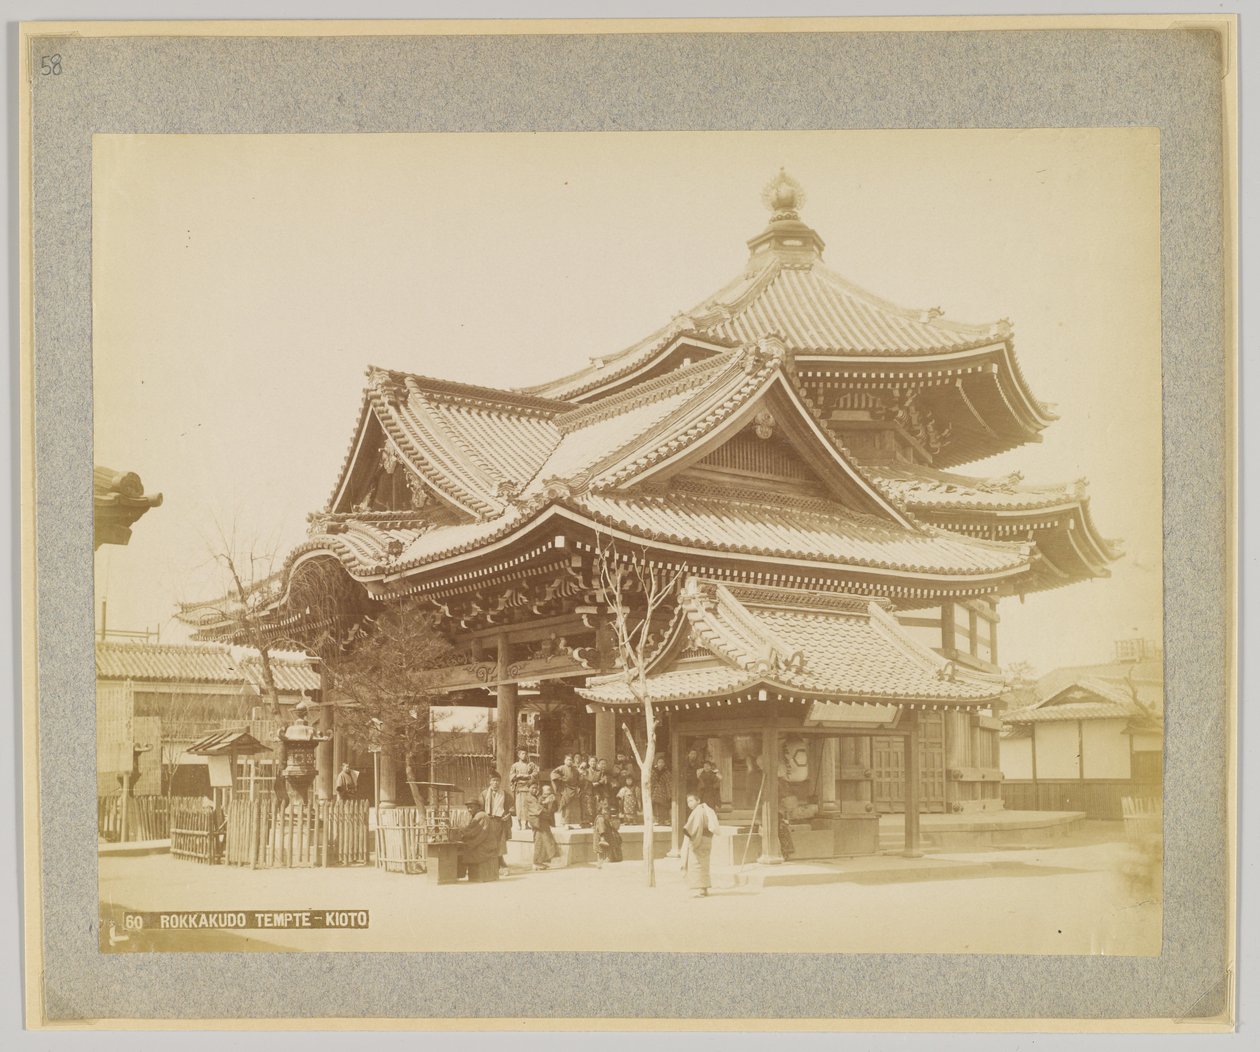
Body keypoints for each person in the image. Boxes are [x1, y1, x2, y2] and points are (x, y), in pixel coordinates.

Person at [681, 792, 719, 897]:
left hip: (700, 840)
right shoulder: (706, 810)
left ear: (698, 801)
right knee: (704, 864)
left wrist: (688, 835)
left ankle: (701, 890)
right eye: (688, 801)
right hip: (707, 839)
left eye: (691, 800)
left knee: (697, 864)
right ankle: (704, 888)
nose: (689, 803)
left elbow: (692, 828)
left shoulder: (697, 811)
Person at [457, 799, 500, 882]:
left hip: (486, 845)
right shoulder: (478, 815)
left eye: (471, 807)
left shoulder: (481, 816)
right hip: (485, 842)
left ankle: (477, 877)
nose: (469, 810)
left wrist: (461, 833)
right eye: (468, 808)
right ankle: (473, 876)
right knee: (464, 847)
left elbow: (474, 831)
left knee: (464, 849)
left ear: (478, 807)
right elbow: (471, 829)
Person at [479, 772, 513, 872]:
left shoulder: (505, 794)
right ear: (490, 782)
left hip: (500, 822)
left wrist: (508, 814)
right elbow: (480, 808)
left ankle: (500, 864)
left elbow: (511, 807)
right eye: (493, 780)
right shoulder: (484, 794)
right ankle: (492, 864)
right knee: (489, 843)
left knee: (499, 844)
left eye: (498, 781)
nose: (496, 783)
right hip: (488, 821)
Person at [508, 748, 539, 830]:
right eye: (522, 754)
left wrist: (529, 776)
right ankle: (519, 823)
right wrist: (517, 776)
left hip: (528, 787)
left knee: (527, 806)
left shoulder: (530, 764)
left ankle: (526, 824)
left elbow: (536, 772)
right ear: (519, 755)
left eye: (525, 753)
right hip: (519, 787)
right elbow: (511, 776)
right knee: (519, 806)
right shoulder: (515, 765)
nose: (524, 755)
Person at [531, 784, 559, 870]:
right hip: (539, 822)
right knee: (539, 842)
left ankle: (541, 862)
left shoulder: (552, 798)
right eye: (546, 792)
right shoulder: (538, 799)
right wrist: (545, 802)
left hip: (545, 822)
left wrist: (552, 802)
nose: (548, 793)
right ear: (542, 792)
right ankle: (536, 863)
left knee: (546, 842)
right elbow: (539, 809)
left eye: (549, 791)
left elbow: (555, 809)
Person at [550, 754, 580, 828]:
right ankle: (565, 823)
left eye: (571, 760)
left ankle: (570, 823)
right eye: (568, 760)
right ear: (564, 761)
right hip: (566, 789)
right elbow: (553, 773)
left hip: (574, 789)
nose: (569, 761)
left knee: (573, 806)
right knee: (566, 806)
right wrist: (561, 779)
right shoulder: (562, 768)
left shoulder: (575, 770)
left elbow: (578, 779)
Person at [594, 800, 623, 866]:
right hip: (603, 844)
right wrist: (602, 838)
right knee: (604, 861)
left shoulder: (606, 820)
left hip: (609, 844)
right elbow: (601, 829)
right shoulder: (600, 819)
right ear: (601, 811)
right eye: (604, 810)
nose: (606, 812)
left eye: (607, 810)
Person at [649, 755, 672, 826]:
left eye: (662, 762)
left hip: (664, 791)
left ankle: (665, 820)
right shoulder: (652, 771)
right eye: (659, 762)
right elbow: (650, 781)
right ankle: (656, 820)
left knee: (664, 806)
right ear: (656, 763)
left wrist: (669, 793)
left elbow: (669, 782)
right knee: (656, 806)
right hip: (655, 791)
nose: (661, 764)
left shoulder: (667, 772)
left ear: (664, 763)